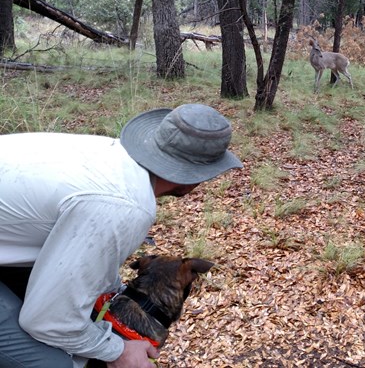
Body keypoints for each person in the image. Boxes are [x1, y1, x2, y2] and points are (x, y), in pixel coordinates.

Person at [0, 103, 242, 368]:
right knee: (52, 364)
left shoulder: (110, 154)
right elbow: (45, 321)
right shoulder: (125, 205)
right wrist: (117, 351)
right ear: (194, 178)